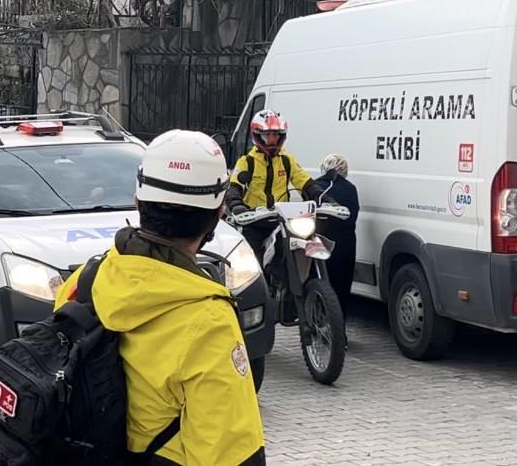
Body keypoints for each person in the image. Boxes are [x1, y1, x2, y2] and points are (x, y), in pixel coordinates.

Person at [52, 130, 266, 465]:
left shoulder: (85, 281)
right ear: (217, 216)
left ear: (138, 202)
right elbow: (230, 452)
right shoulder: (209, 322)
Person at [225, 109, 329, 256]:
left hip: (282, 221)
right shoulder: (246, 162)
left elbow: (304, 182)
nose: (272, 139)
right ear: (258, 136)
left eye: (275, 135)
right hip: (254, 222)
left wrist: (325, 199)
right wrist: (237, 206)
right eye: (267, 135)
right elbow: (234, 188)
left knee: (300, 248)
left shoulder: (287, 160)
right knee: (253, 259)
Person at [316, 153, 360, 319]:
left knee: (320, 285)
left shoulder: (315, 186)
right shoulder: (350, 188)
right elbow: (353, 216)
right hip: (345, 244)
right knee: (342, 289)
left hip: (320, 243)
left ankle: (318, 322)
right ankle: (340, 331)